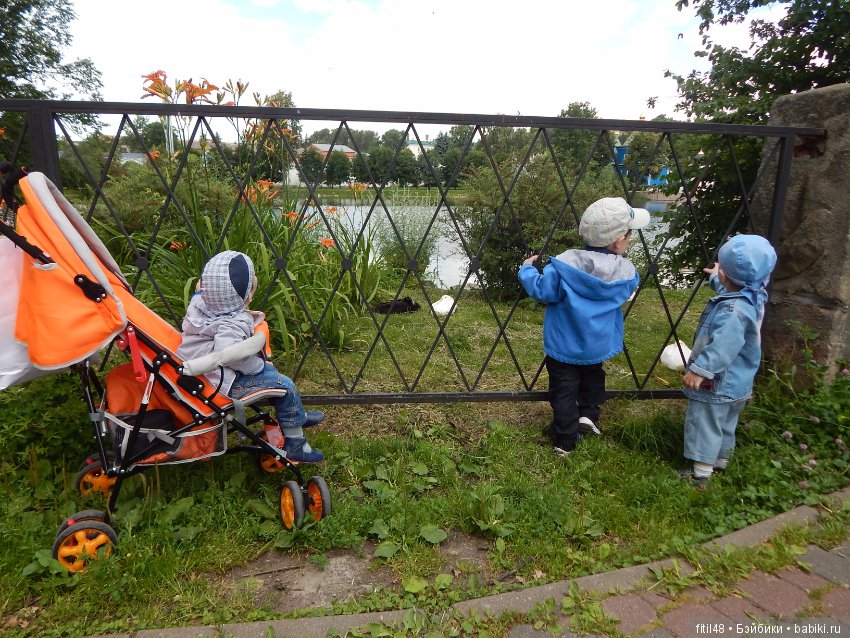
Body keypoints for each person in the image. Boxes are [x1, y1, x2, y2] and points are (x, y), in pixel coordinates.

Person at [518, 197, 650, 456]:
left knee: (564, 390)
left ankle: (565, 440)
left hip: (564, 344)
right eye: (629, 235)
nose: (630, 240)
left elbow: (544, 290)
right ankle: (588, 416)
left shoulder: (565, 267)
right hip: (597, 343)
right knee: (592, 378)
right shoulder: (625, 274)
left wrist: (526, 271)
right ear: (617, 240)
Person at [178, 250, 324, 463]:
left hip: (200, 374)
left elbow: (200, 293)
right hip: (222, 381)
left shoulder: (200, 305)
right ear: (247, 298)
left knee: (270, 372)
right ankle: (296, 443)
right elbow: (231, 355)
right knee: (284, 385)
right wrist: (257, 365)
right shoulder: (232, 325)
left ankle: (295, 415)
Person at [680, 234, 777, 487]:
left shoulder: (733, 312)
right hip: (739, 382)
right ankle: (721, 460)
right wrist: (717, 276)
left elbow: (724, 346)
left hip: (718, 380)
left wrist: (701, 370)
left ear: (727, 275)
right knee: (725, 423)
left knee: (705, 422)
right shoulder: (753, 296)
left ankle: (700, 473)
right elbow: (730, 289)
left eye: (721, 268)